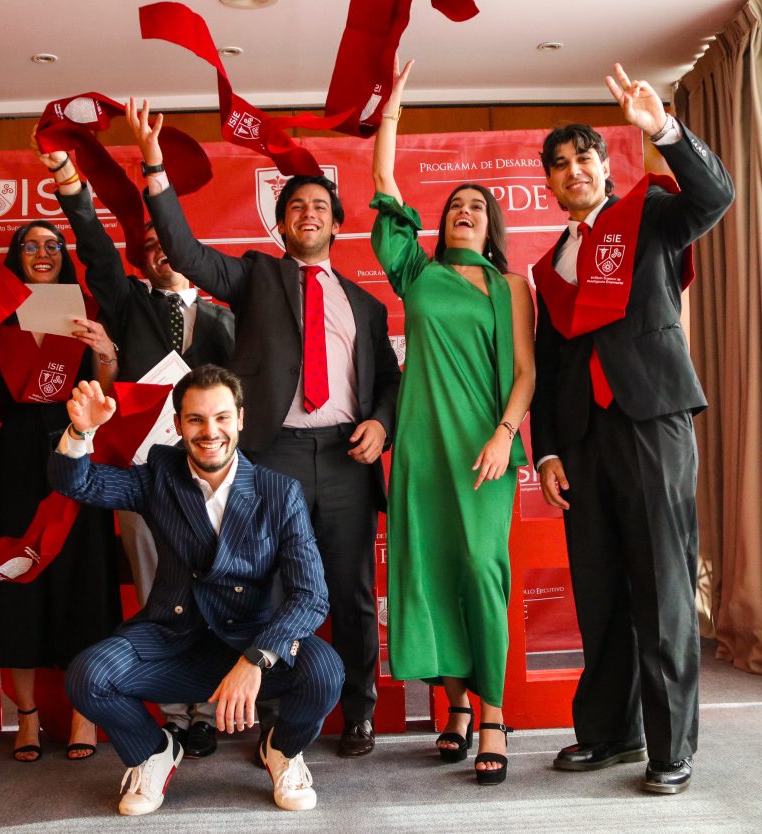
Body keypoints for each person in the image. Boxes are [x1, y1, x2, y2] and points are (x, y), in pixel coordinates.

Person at [128, 99, 402, 758]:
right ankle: (278, 715)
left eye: (319, 207)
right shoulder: (254, 277)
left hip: (343, 459)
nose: (308, 213)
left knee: (353, 594)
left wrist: (381, 426)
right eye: (295, 207)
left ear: (338, 223)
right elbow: (188, 253)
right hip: (270, 455)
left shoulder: (364, 305)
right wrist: (155, 166)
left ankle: (357, 710)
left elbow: (390, 383)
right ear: (280, 225)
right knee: (271, 591)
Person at [530, 64, 734, 795]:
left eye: (584, 157)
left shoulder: (648, 215)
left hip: (652, 421)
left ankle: (670, 748)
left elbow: (716, 196)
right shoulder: (546, 264)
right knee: (601, 592)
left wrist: (664, 131)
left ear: (604, 166)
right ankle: (610, 734)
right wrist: (547, 450)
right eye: (559, 164)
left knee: (664, 588)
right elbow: (551, 367)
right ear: (549, 186)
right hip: (583, 443)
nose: (573, 170)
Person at [48, 366, 344, 815]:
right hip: (173, 640)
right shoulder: (159, 476)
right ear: (178, 423)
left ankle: (281, 749)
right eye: (196, 420)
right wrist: (79, 431)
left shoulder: (279, 493)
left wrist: (257, 657)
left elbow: (311, 596)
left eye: (222, 418)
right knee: (87, 676)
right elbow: (79, 483)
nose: (211, 432)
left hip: (250, 642)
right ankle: (153, 752)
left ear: (240, 419)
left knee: (325, 672)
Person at [34, 133, 235, 757]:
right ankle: (174, 711)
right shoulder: (127, 304)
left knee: (221, 587)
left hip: (219, 481)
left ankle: (212, 704)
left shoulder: (229, 318)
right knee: (159, 590)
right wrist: (71, 183)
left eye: (165, 243)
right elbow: (93, 246)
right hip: (146, 477)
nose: (157, 253)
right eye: (146, 248)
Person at [369, 57, 535, 785]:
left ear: (491, 222)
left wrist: (505, 435)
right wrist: (394, 105)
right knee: (430, 569)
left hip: (483, 448)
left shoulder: (510, 285)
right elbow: (383, 187)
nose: (465, 207)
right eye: (456, 202)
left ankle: (493, 712)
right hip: (422, 449)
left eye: (477, 203)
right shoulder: (419, 273)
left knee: (480, 567)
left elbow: (526, 373)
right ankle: (457, 705)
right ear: (441, 222)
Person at [0, 218, 123, 763]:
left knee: (82, 580)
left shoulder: (86, 311)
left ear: (65, 256)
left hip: (76, 453)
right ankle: (27, 719)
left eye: (52, 245)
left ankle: (84, 714)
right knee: (16, 581)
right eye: (29, 245)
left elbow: (105, 396)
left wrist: (104, 350)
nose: (42, 252)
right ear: (14, 257)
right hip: (16, 461)